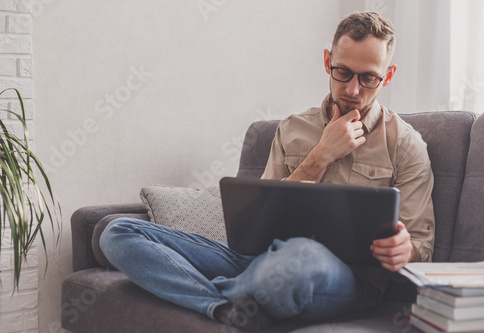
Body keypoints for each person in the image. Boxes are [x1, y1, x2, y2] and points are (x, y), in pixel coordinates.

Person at [100, 11, 435, 331]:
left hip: (343, 278)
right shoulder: (292, 129)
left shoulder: (405, 144)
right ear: (326, 62)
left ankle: (206, 286)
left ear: (387, 77)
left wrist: (405, 250)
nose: (352, 90)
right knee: (118, 233)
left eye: (369, 78)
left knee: (300, 258)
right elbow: (260, 224)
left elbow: (421, 245)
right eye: (343, 72)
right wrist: (320, 155)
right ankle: (224, 305)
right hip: (260, 260)